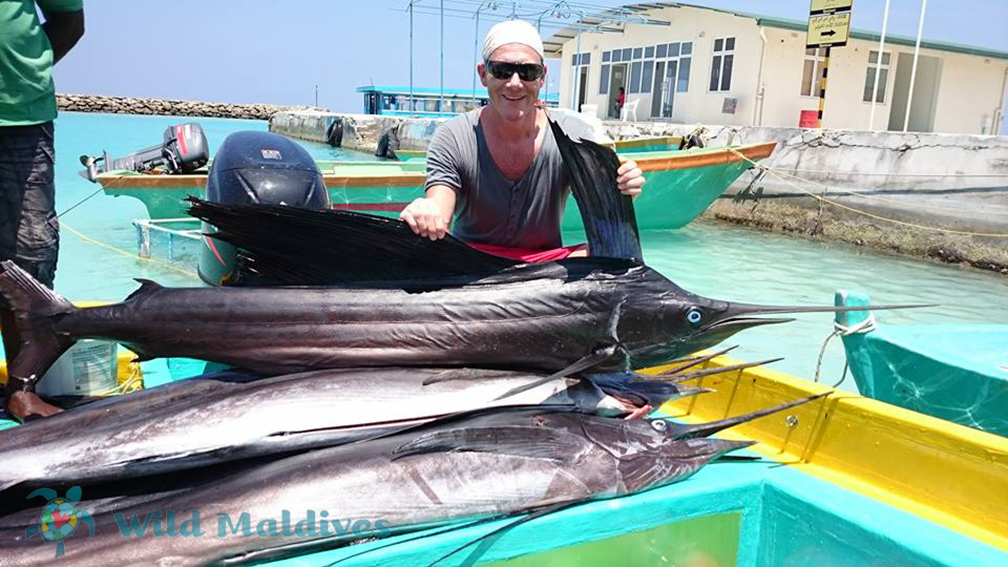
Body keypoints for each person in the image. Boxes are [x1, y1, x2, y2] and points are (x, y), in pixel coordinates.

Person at [399, 19, 644, 261]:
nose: (515, 83)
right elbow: (438, 210)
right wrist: (426, 213)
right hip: (471, 260)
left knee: (615, 260)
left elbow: (605, 199)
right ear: (483, 75)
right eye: (502, 71)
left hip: (546, 264)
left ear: (542, 77)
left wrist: (622, 186)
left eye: (527, 72)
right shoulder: (453, 136)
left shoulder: (573, 134)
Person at [1, 1, 85, 421]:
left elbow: (69, 20)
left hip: (23, 120)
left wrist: (21, 75)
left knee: (30, 254)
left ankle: (21, 386)